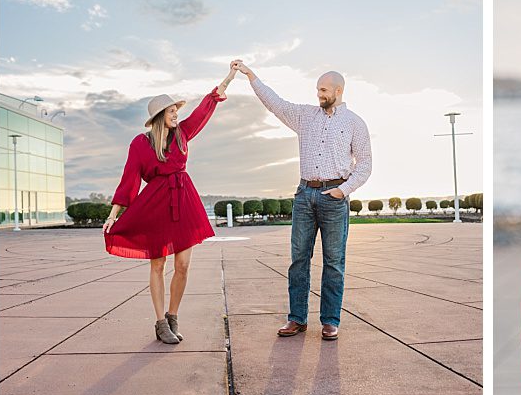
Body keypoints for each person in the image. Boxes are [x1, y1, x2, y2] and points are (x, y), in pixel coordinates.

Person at [230, 59, 372, 340]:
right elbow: (276, 103)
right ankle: (297, 319)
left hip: (334, 197)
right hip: (305, 195)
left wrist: (343, 190)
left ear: (338, 91)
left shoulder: (355, 123)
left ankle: (330, 320)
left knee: (333, 262)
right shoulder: (305, 116)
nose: (319, 94)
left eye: (323, 90)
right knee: (298, 260)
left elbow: (365, 163)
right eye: (317, 89)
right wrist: (251, 76)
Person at [104, 66, 238, 344]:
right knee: (157, 264)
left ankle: (173, 315)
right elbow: (129, 180)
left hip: (183, 199)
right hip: (156, 204)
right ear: (159, 117)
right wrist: (114, 213)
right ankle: (160, 322)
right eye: (171, 111)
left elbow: (204, 111)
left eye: (176, 110)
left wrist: (226, 80)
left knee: (184, 264)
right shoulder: (140, 144)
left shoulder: (183, 134)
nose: (176, 114)